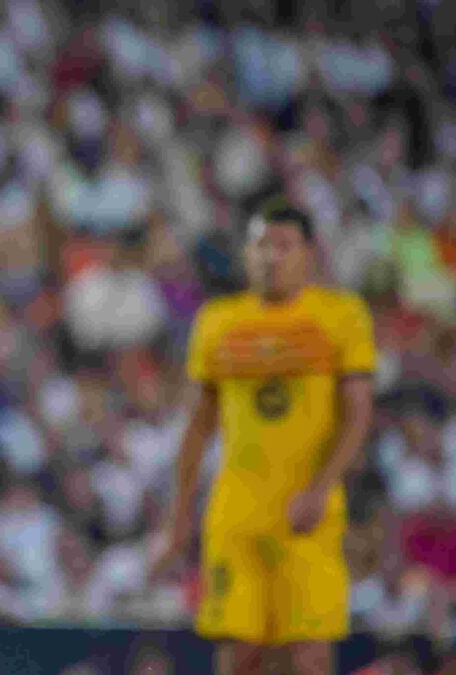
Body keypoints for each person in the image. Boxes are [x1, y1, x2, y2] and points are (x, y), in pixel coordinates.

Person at [152, 200, 376, 674]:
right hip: (236, 514)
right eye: (260, 246)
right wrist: (179, 517)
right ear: (246, 253)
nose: (270, 257)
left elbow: (358, 415)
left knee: (310, 656)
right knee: (239, 655)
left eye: (283, 245)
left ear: (309, 253)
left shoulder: (340, 316)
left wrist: (321, 488)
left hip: (308, 515)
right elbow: (197, 427)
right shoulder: (218, 320)